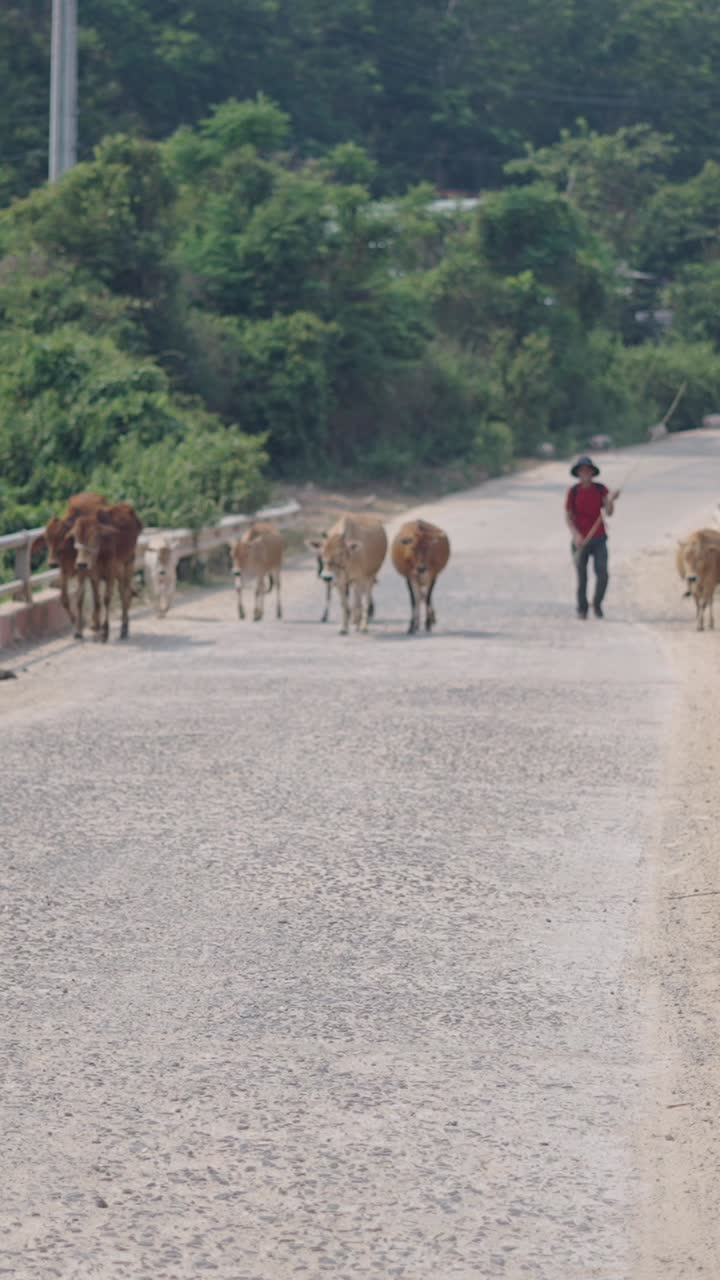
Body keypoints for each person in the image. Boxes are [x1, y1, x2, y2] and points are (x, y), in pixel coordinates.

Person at [565, 456, 619, 619]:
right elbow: (568, 517)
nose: (585, 473)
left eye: (588, 470)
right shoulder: (573, 492)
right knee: (582, 577)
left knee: (602, 573)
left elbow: (609, 512)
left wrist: (610, 501)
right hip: (580, 541)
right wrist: (576, 535)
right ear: (578, 473)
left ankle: (597, 603)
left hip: (599, 537)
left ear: (592, 473)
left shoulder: (601, 489)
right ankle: (582, 608)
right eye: (582, 471)